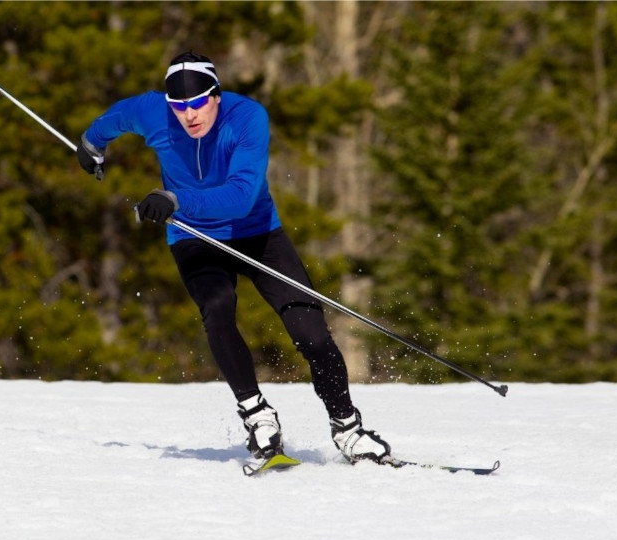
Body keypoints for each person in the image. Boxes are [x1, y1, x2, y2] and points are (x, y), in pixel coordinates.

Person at [77, 51, 391, 465]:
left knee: (311, 334)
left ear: (216, 95)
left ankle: (348, 428)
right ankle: (258, 417)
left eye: (197, 103)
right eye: (178, 106)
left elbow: (242, 197)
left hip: (257, 232)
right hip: (193, 236)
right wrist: (90, 145)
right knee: (218, 309)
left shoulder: (248, 118)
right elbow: (115, 119)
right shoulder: (153, 112)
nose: (188, 116)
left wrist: (175, 198)